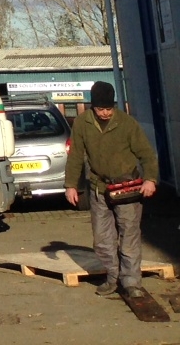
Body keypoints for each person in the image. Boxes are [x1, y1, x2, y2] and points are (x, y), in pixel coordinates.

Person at [64, 81, 159, 298]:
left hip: (127, 188)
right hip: (98, 188)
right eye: (100, 109)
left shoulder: (127, 123)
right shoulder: (82, 123)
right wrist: (70, 185)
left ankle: (132, 282)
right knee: (102, 239)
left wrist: (150, 180)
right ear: (92, 106)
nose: (105, 113)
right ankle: (113, 278)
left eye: (109, 108)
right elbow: (76, 156)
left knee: (129, 237)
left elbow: (146, 154)